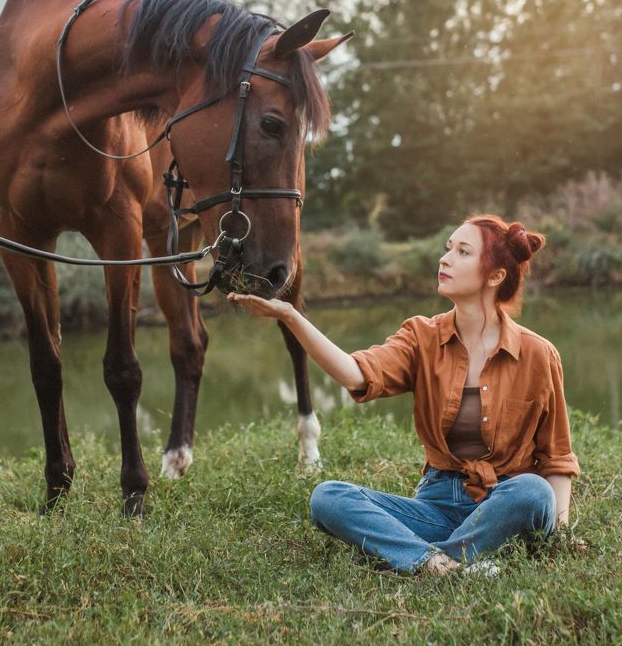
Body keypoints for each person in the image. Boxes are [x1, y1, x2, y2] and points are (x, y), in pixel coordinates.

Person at [227, 214, 580, 576]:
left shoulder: (538, 353)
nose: (445, 259)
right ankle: (448, 564)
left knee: (534, 492)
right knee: (328, 498)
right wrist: (290, 316)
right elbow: (354, 373)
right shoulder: (421, 337)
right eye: (447, 249)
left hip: (504, 505)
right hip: (436, 506)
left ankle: (419, 557)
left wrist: (561, 536)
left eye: (462, 252)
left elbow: (556, 459)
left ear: (495, 276)